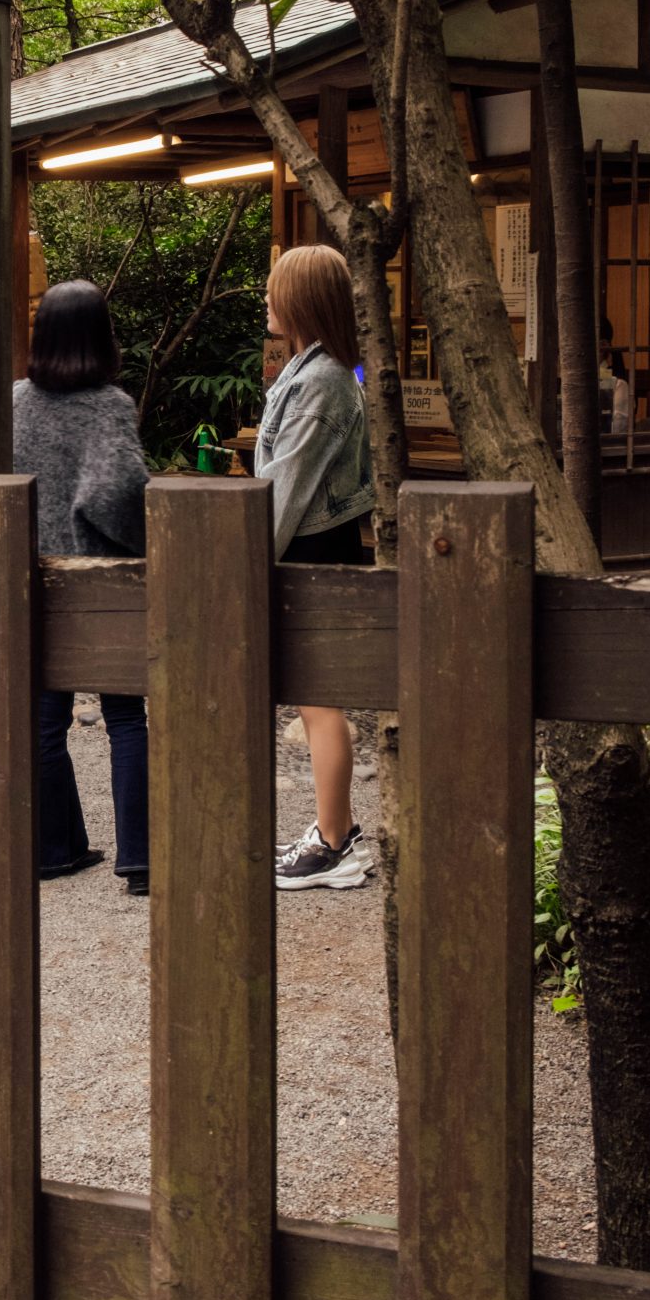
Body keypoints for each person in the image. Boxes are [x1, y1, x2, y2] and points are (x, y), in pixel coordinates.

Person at [12, 280, 151, 894]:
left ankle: (54, 848)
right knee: (125, 717)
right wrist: (142, 540)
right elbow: (116, 492)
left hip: (29, 577)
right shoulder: (109, 405)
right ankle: (140, 858)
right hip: (99, 580)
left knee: (44, 720)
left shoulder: (14, 401)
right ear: (103, 338)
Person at [255, 244, 375, 894]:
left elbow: (282, 492)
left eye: (276, 290)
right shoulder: (314, 368)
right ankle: (335, 830)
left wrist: (245, 562)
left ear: (301, 299)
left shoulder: (323, 380)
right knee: (315, 703)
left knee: (319, 704)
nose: (267, 301)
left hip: (308, 550)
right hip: (310, 546)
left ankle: (336, 843)